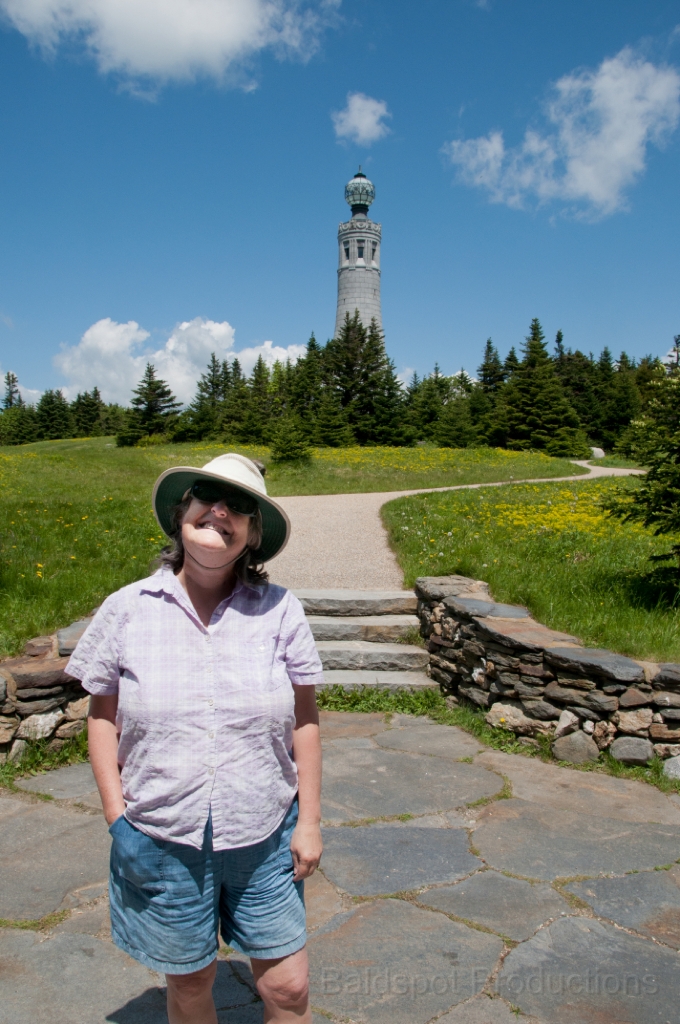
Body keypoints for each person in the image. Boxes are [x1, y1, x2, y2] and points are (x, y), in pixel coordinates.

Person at [68, 453, 324, 1024]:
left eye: (240, 506)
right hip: (162, 835)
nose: (220, 511)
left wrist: (309, 821)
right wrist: (116, 816)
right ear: (181, 514)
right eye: (207, 496)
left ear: (253, 534)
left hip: (264, 833)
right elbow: (101, 716)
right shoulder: (126, 609)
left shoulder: (282, 610)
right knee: (190, 984)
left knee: (288, 988)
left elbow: (304, 720)